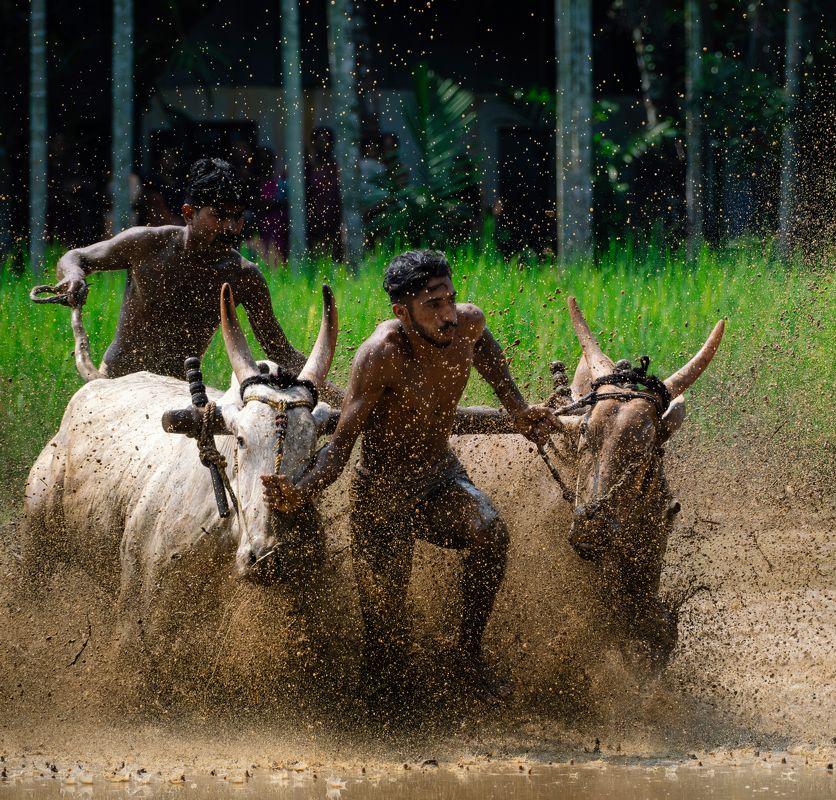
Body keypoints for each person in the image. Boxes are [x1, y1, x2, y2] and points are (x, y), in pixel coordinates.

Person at [261, 250, 561, 698]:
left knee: (491, 532)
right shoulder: (380, 355)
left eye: (450, 300)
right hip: (380, 492)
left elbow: (491, 359)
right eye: (433, 306)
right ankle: (379, 713)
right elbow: (340, 449)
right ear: (402, 312)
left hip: (438, 476)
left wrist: (518, 411)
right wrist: (300, 492)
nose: (447, 317)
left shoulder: (470, 325)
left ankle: (467, 654)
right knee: (385, 639)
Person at [54, 157, 311, 382]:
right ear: (189, 213)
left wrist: (341, 401)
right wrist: (74, 276)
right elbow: (75, 257)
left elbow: (280, 352)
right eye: (219, 216)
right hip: (117, 383)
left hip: (177, 393)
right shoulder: (147, 244)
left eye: (237, 217)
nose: (231, 228)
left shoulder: (243, 276)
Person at [306, 126, 344, 260]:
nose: (324, 145)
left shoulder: (338, 167)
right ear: (313, 143)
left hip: (335, 219)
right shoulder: (307, 168)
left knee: (335, 260)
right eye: (320, 141)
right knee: (316, 259)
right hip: (313, 220)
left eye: (327, 141)